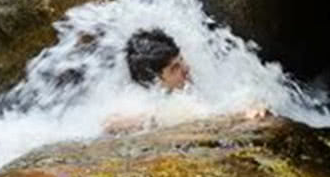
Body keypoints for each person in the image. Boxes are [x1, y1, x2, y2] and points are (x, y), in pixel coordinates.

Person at [104, 28, 268, 135]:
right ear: (155, 82)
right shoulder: (140, 102)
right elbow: (109, 123)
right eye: (174, 68)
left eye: (181, 60)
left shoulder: (196, 84)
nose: (186, 68)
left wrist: (251, 103)